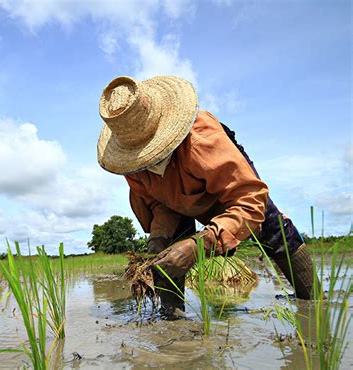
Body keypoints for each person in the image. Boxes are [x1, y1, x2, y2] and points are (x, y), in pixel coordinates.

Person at [96, 75, 317, 312]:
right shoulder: (134, 169)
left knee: (273, 230)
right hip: (181, 200)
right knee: (166, 251)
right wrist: (159, 239)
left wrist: (199, 245)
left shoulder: (201, 140)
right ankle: (172, 318)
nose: (149, 163)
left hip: (226, 188)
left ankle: (313, 302)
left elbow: (250, 203)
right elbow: (160, 204)